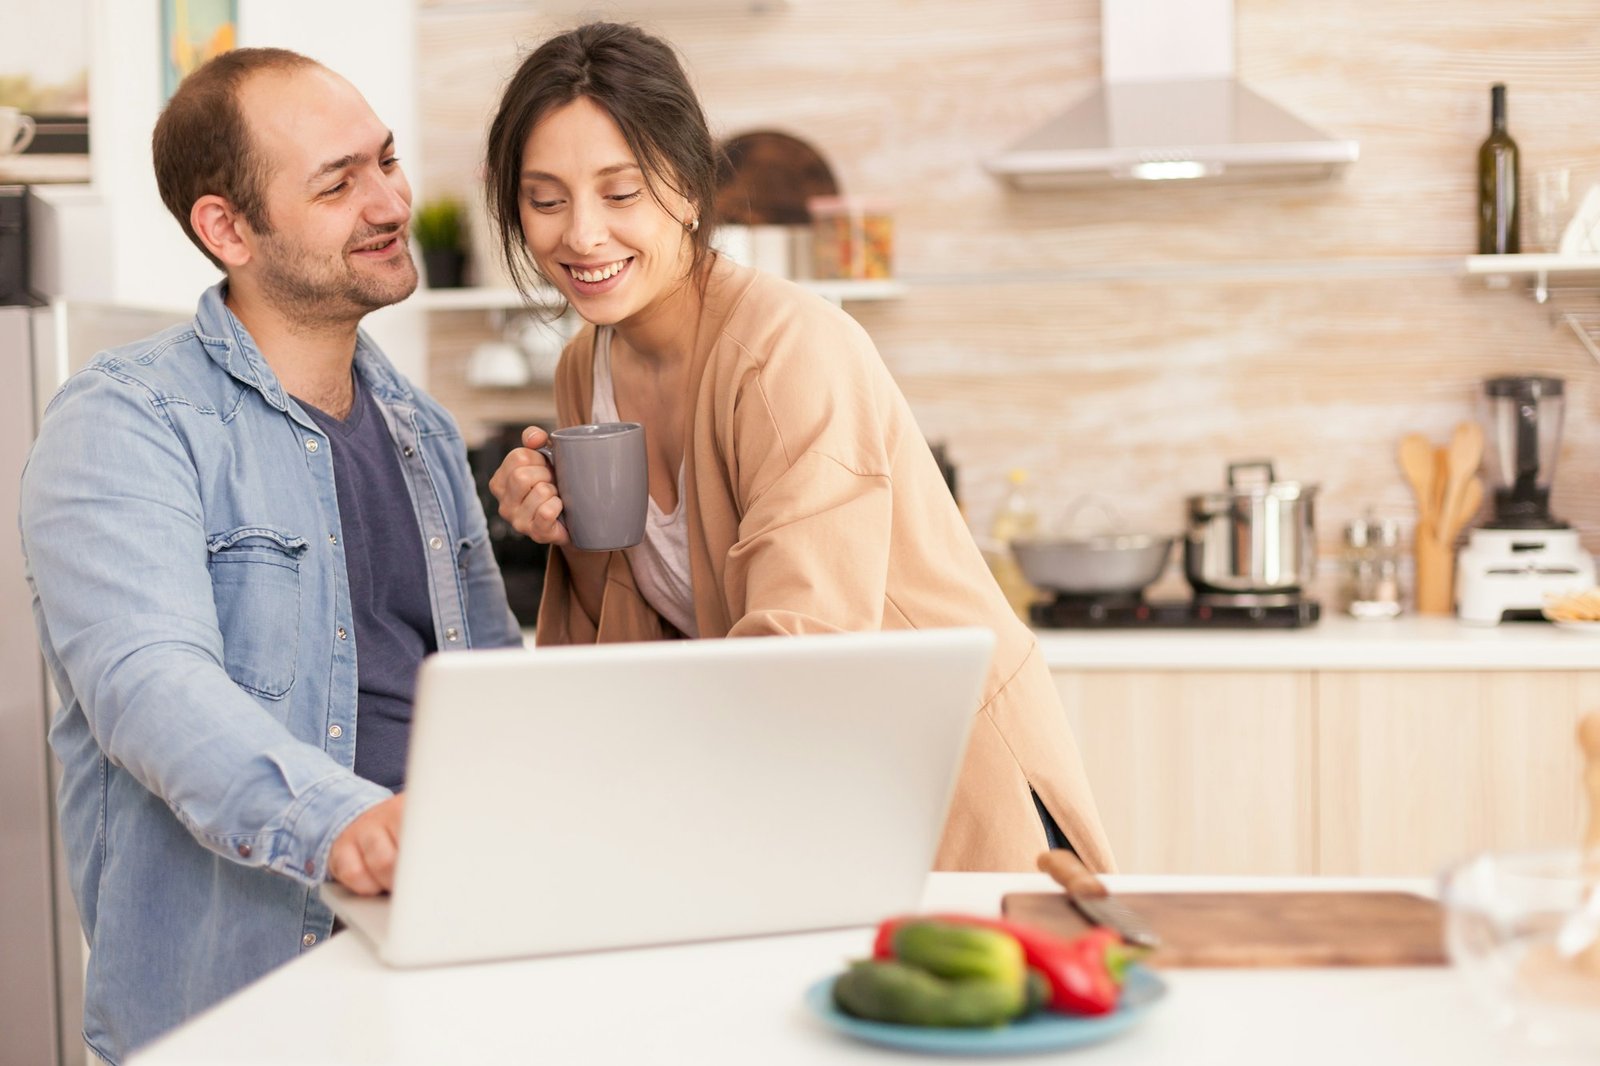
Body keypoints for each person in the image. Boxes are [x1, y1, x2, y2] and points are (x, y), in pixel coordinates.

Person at [484, 23, 1113, 873]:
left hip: (945, 785)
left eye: (621, 192)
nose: (583, 235)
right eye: (546, 200)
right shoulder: (583, 366)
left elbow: (805, 648)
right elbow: (629, 638)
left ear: (689, 187)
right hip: (806, 788)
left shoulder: (788, 350)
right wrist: (560, 528)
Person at [18, 48, 521, 1064]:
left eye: (385, 161)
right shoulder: (129, 418)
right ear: (227, 229)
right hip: (244, 1005)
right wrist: (348, 825)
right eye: (338, 185)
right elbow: (150, 685)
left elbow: (493, 687)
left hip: (444, 955)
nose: (389, 202)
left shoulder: (422, 430)